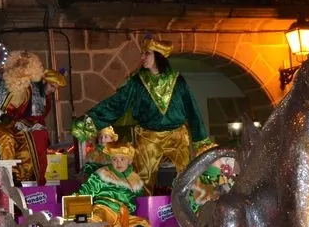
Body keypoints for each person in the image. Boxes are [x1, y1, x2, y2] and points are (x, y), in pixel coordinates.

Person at [71, 36, 215, 193]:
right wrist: (90, 121)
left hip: (177, 137)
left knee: (189, 176)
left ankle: (192, 206)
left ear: (158, 55)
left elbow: (193, 109)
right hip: (149, 138)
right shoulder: (137, 82)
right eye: (142, 53)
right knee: (143, 180)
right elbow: (117, 103)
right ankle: (145, 208)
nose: (142, 57)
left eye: (147, 53)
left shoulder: (178, 80)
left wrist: (202, 141)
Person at [0, 51, 67, 185]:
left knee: (36, 136)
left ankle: (25, 179)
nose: (21, 69)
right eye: (19, 65)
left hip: (15, 124)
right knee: (5, 138)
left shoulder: (32, 89)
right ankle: (5, 180)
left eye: (26, 67)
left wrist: (28, 124)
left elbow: (37, 115)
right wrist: (1, 115)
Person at [74, 140, 150, 227]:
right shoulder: (102, 174)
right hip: (104, 209)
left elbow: (138, 201)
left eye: (122, 159)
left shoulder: (135, 180)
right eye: (114, 159)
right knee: (95, 221)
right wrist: (72, 205)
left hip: (123, 215)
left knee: (142, 223)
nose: (118, 163)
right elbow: (85, 191)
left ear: (130, 160)